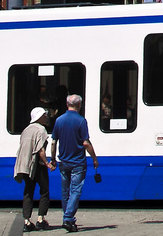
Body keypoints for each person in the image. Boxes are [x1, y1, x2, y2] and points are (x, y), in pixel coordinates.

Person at [50, 94, 99, 232]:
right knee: (75, 190)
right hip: (78, 162)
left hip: (63, 162)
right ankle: (68, 217)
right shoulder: (81, 121)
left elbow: (53, 142)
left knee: (65, 191)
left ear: (67, 104)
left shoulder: (59, 120)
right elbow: (86, 143)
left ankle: (68, 219)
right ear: (79, 105)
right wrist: (94, 158)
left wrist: (53, 159)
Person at [15, 106, 54, 230]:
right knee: (44, 191)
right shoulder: (41, 129)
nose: (46, 117)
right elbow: (40, 150)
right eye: (44, 115)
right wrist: (47, 163)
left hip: (26, 165)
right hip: (37, 165)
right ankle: (40, 219)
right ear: (40, 117)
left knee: (28, 191)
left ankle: (26, 221)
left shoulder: (26, 130)